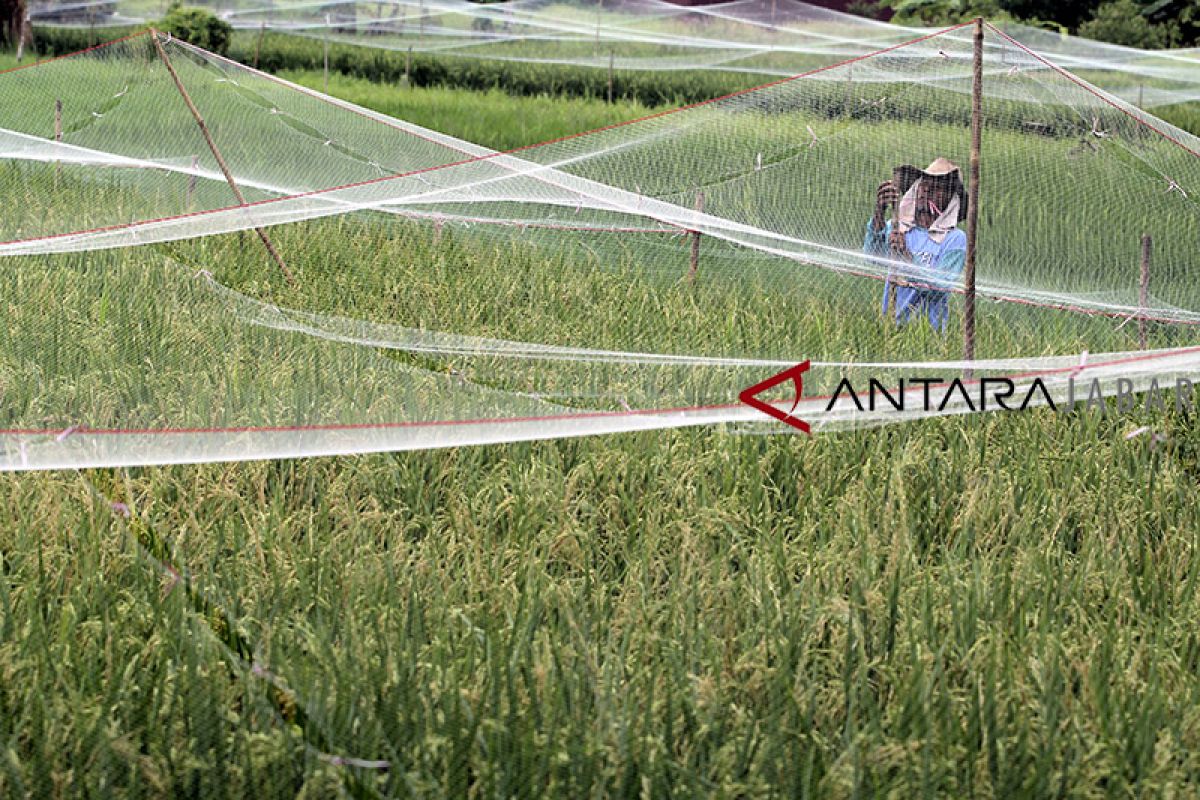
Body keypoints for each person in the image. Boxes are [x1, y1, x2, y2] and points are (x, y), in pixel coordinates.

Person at [863, 157, 968, 332]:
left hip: (927, 333)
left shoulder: (954, 239)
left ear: (950, 198)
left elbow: (939, 288)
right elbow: (873, 256)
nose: (927, 191)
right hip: (891, 326)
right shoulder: (899, 227)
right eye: (924, 184)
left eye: (938, 188)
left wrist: (906, 257)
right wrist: (879, 213)